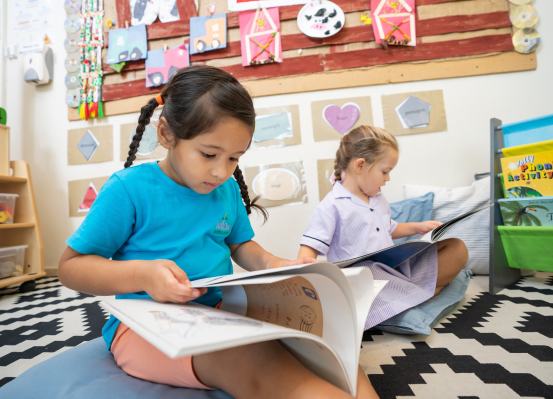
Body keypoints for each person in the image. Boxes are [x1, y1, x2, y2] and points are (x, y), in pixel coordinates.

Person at [58, 66, 379, 399]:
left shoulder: (223, 191)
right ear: (167, 134)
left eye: (234, 159)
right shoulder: (128, 190)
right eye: (209, 154)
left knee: (331, 350)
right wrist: (142, 274)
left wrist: (271, 264)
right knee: (256, 363)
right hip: (145, 325)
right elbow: (71, 267)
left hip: (221, 310)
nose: (221, 171)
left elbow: (240, 245)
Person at [298, 126, 469, 330]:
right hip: (367, 281)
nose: (388, 179)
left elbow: (390, 228)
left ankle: (414, 294)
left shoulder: (378, 199)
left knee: (456, 248)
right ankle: (424, 293)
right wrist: (306, 276)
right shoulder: (332, 205)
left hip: (396, 268)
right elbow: (309, 248)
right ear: (360, 165)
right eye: (385, 172)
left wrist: (419, 227)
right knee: (365, 295)